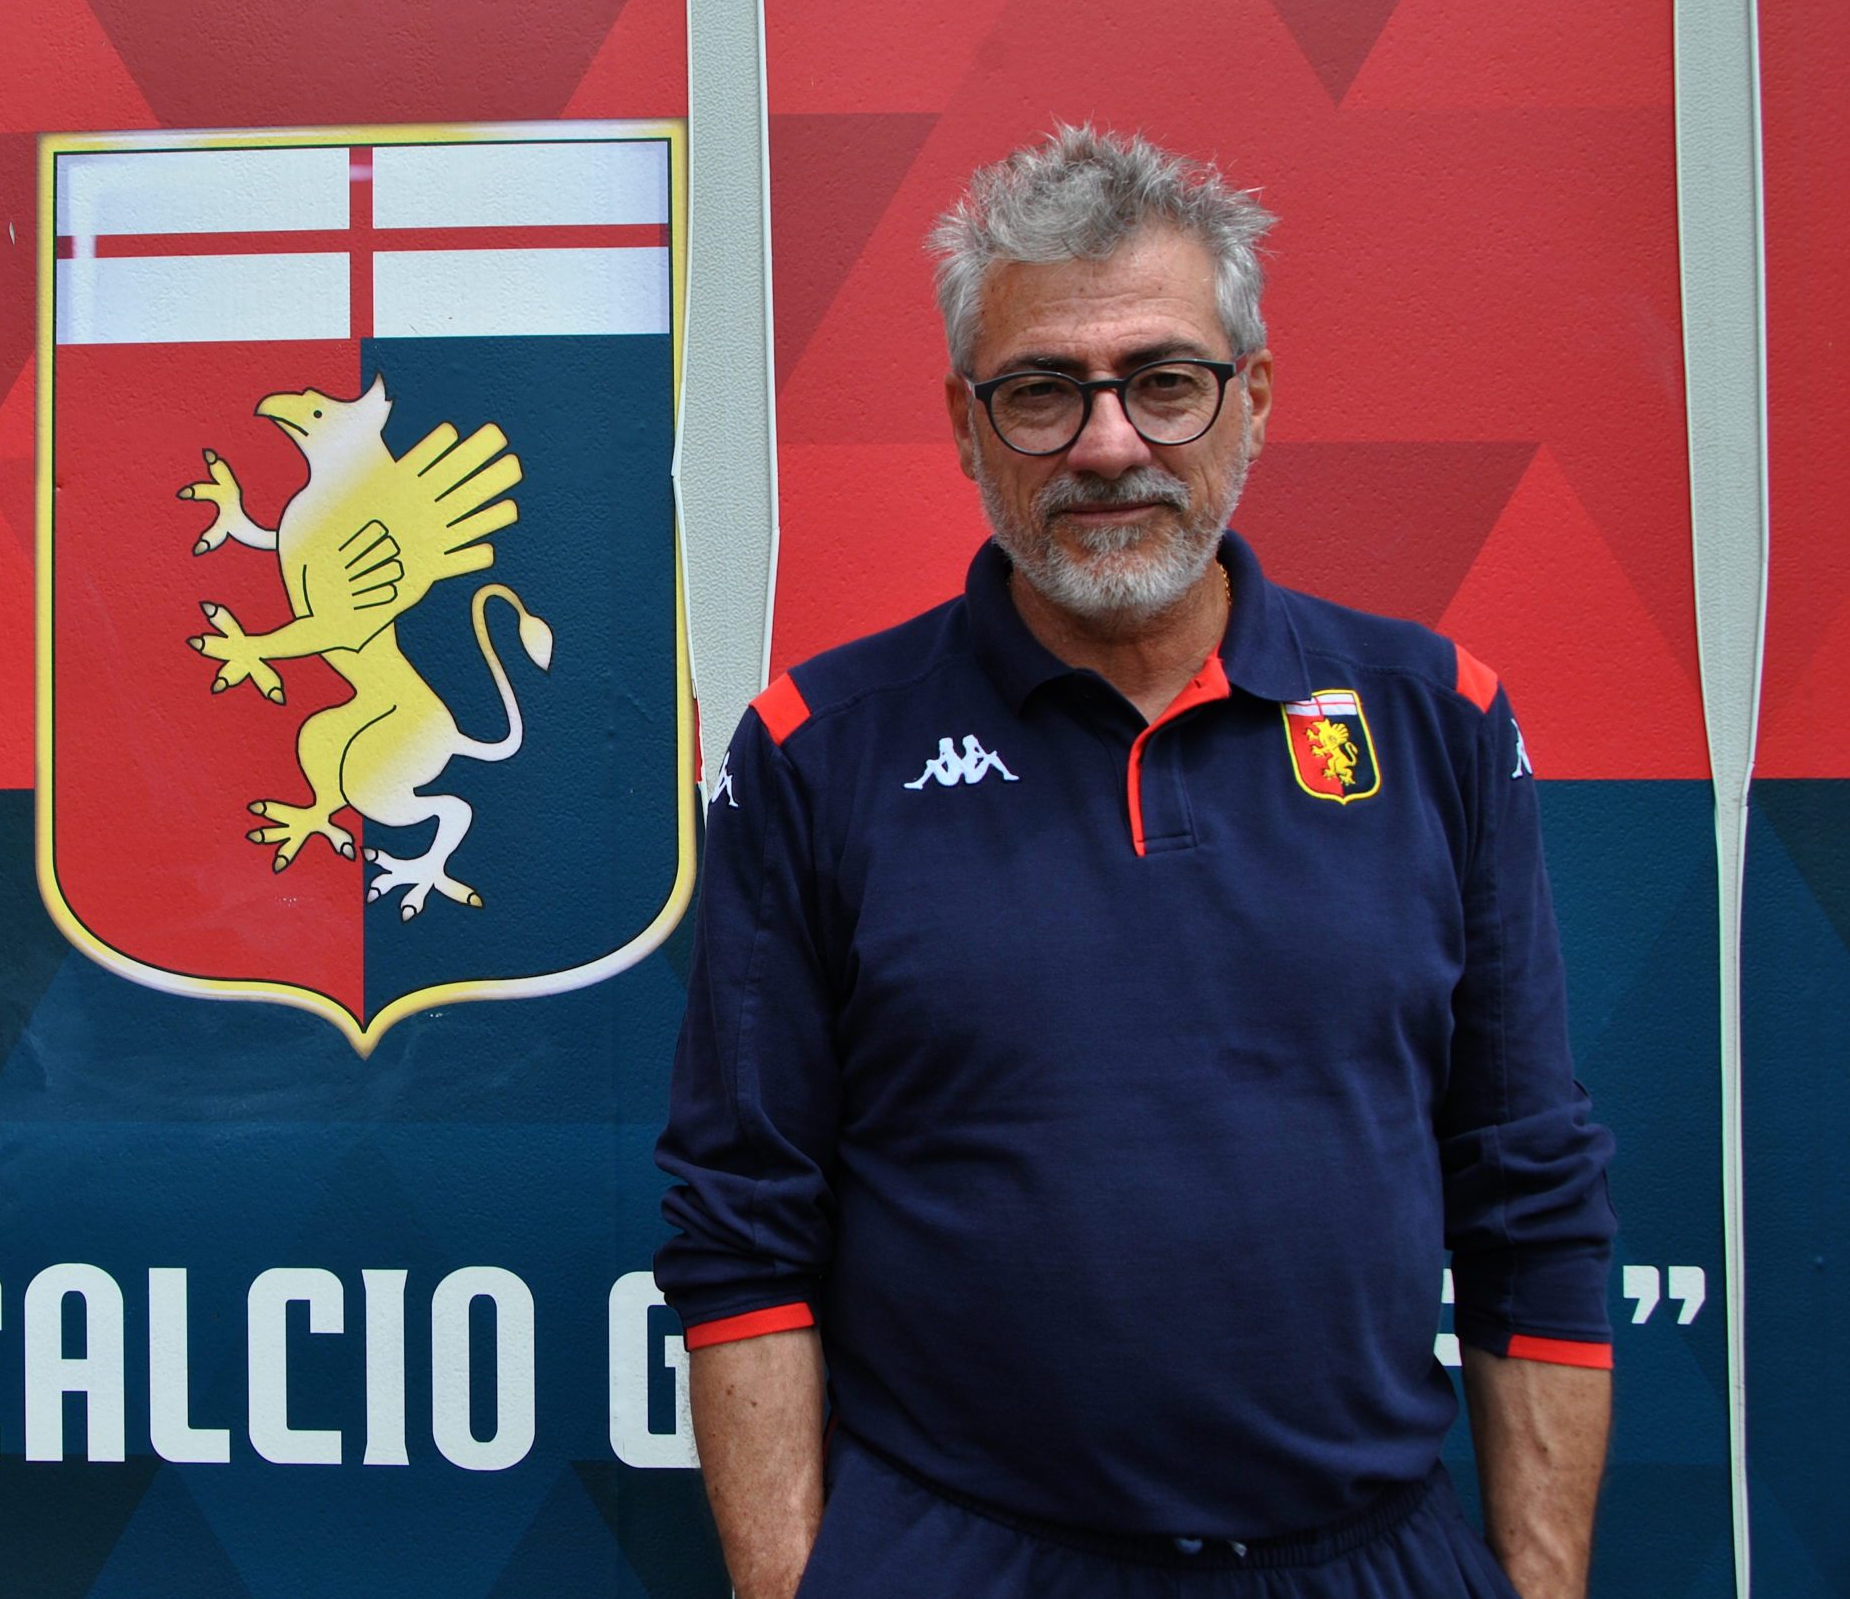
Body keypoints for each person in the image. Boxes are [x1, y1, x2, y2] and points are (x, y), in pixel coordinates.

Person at [655, 126, 1616, 1599]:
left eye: (1165, 381)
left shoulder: (1440, 723)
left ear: (1254, 397)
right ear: (966, 424)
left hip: (1369, 1557)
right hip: (964, 1559)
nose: (1108, 445)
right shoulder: (816, 753)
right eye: (1043, 390)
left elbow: (1529, 1196)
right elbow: (742, 1227)